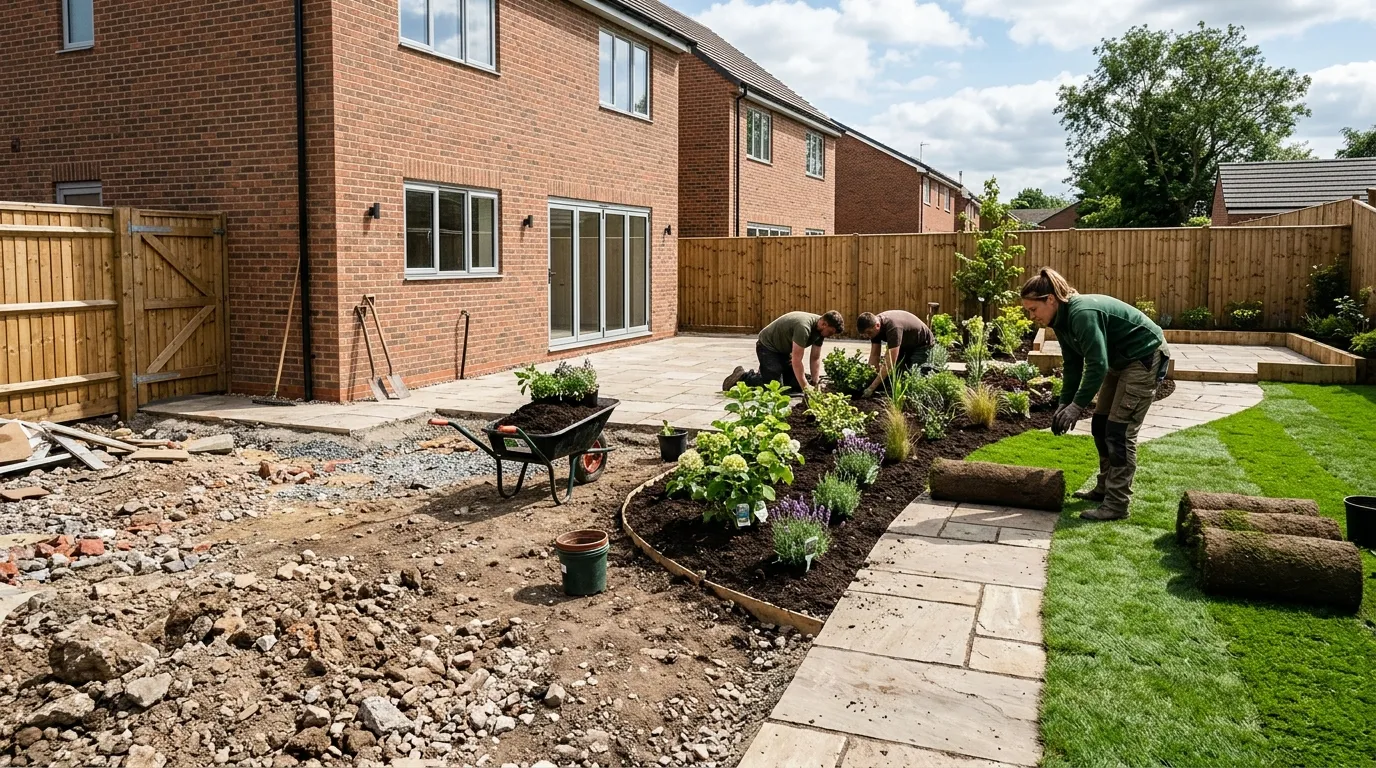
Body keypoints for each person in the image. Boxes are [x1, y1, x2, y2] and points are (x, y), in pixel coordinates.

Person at [1020, 268, 1169, 521]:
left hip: (1144, 356)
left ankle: (1117, 504)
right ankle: (1104, 489)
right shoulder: (1061, 320)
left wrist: (1077, 406)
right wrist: (1064, 403)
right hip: (1119, 360)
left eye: (1033, 309)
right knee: (1100, 425)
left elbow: (1097, 365)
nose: (1031, 316)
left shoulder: (1081, 313)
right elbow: (1073, 364)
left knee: (1119, 432)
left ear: (1051, 300)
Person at [723, 310, 845, 393]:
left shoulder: (820, 331)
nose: (830, 335)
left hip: (783, 351)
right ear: (824, 324)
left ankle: (769, 373)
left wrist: (814, 382)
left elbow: (815, 357)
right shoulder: (804, 327)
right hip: (767, 347)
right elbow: (797, 361)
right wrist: (806, 388)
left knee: (797, 384)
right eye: (830, 332)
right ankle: (743, 377)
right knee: (775, 388)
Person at [856, 310, 936, 397]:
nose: (868, 336)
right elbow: (874, 356)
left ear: (877, 325)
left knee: (915, 375)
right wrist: (869, 378)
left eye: (869, 333)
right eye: (865, 334)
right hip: (905, 344)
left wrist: (872, 388)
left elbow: (889, 362)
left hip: (922, 343)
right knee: (898, 374)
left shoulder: (893, 327)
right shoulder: (874, 329)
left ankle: (918, 398)